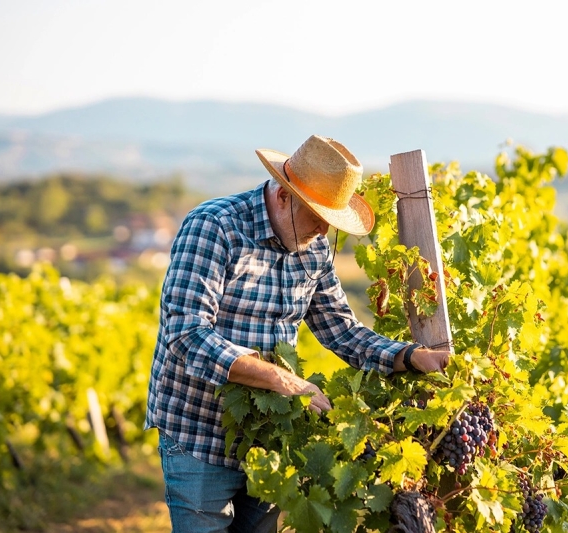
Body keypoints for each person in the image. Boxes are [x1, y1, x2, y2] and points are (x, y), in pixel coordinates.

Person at [145, 134, 451, 533]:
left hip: (268, 436)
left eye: (331, 221)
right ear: (283, 195)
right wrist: (282, 381)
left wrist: (409, 356)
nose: (323, 230)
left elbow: (341, 330)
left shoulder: (314, 247)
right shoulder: (214, 227)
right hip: (198, 430)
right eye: (316, 216)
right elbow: (187, 334)